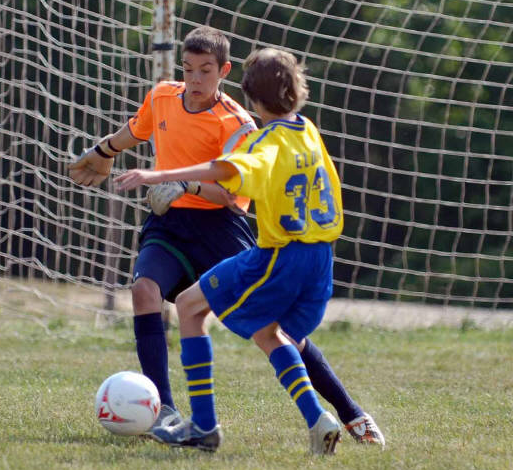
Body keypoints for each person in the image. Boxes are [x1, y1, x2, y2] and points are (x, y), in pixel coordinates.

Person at [69, 27, 384, 446]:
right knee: (145, 290)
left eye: (205, 70)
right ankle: (165, 411)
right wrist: (103, 152)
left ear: (225, 72)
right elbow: (137, 128)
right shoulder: (163, 96)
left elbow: (233, 197)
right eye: (188, 69)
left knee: (271, 331)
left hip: (220, 229)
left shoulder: (240, 126)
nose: (194, 79)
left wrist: (178, 182)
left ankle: (350, 412)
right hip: (170, 225)